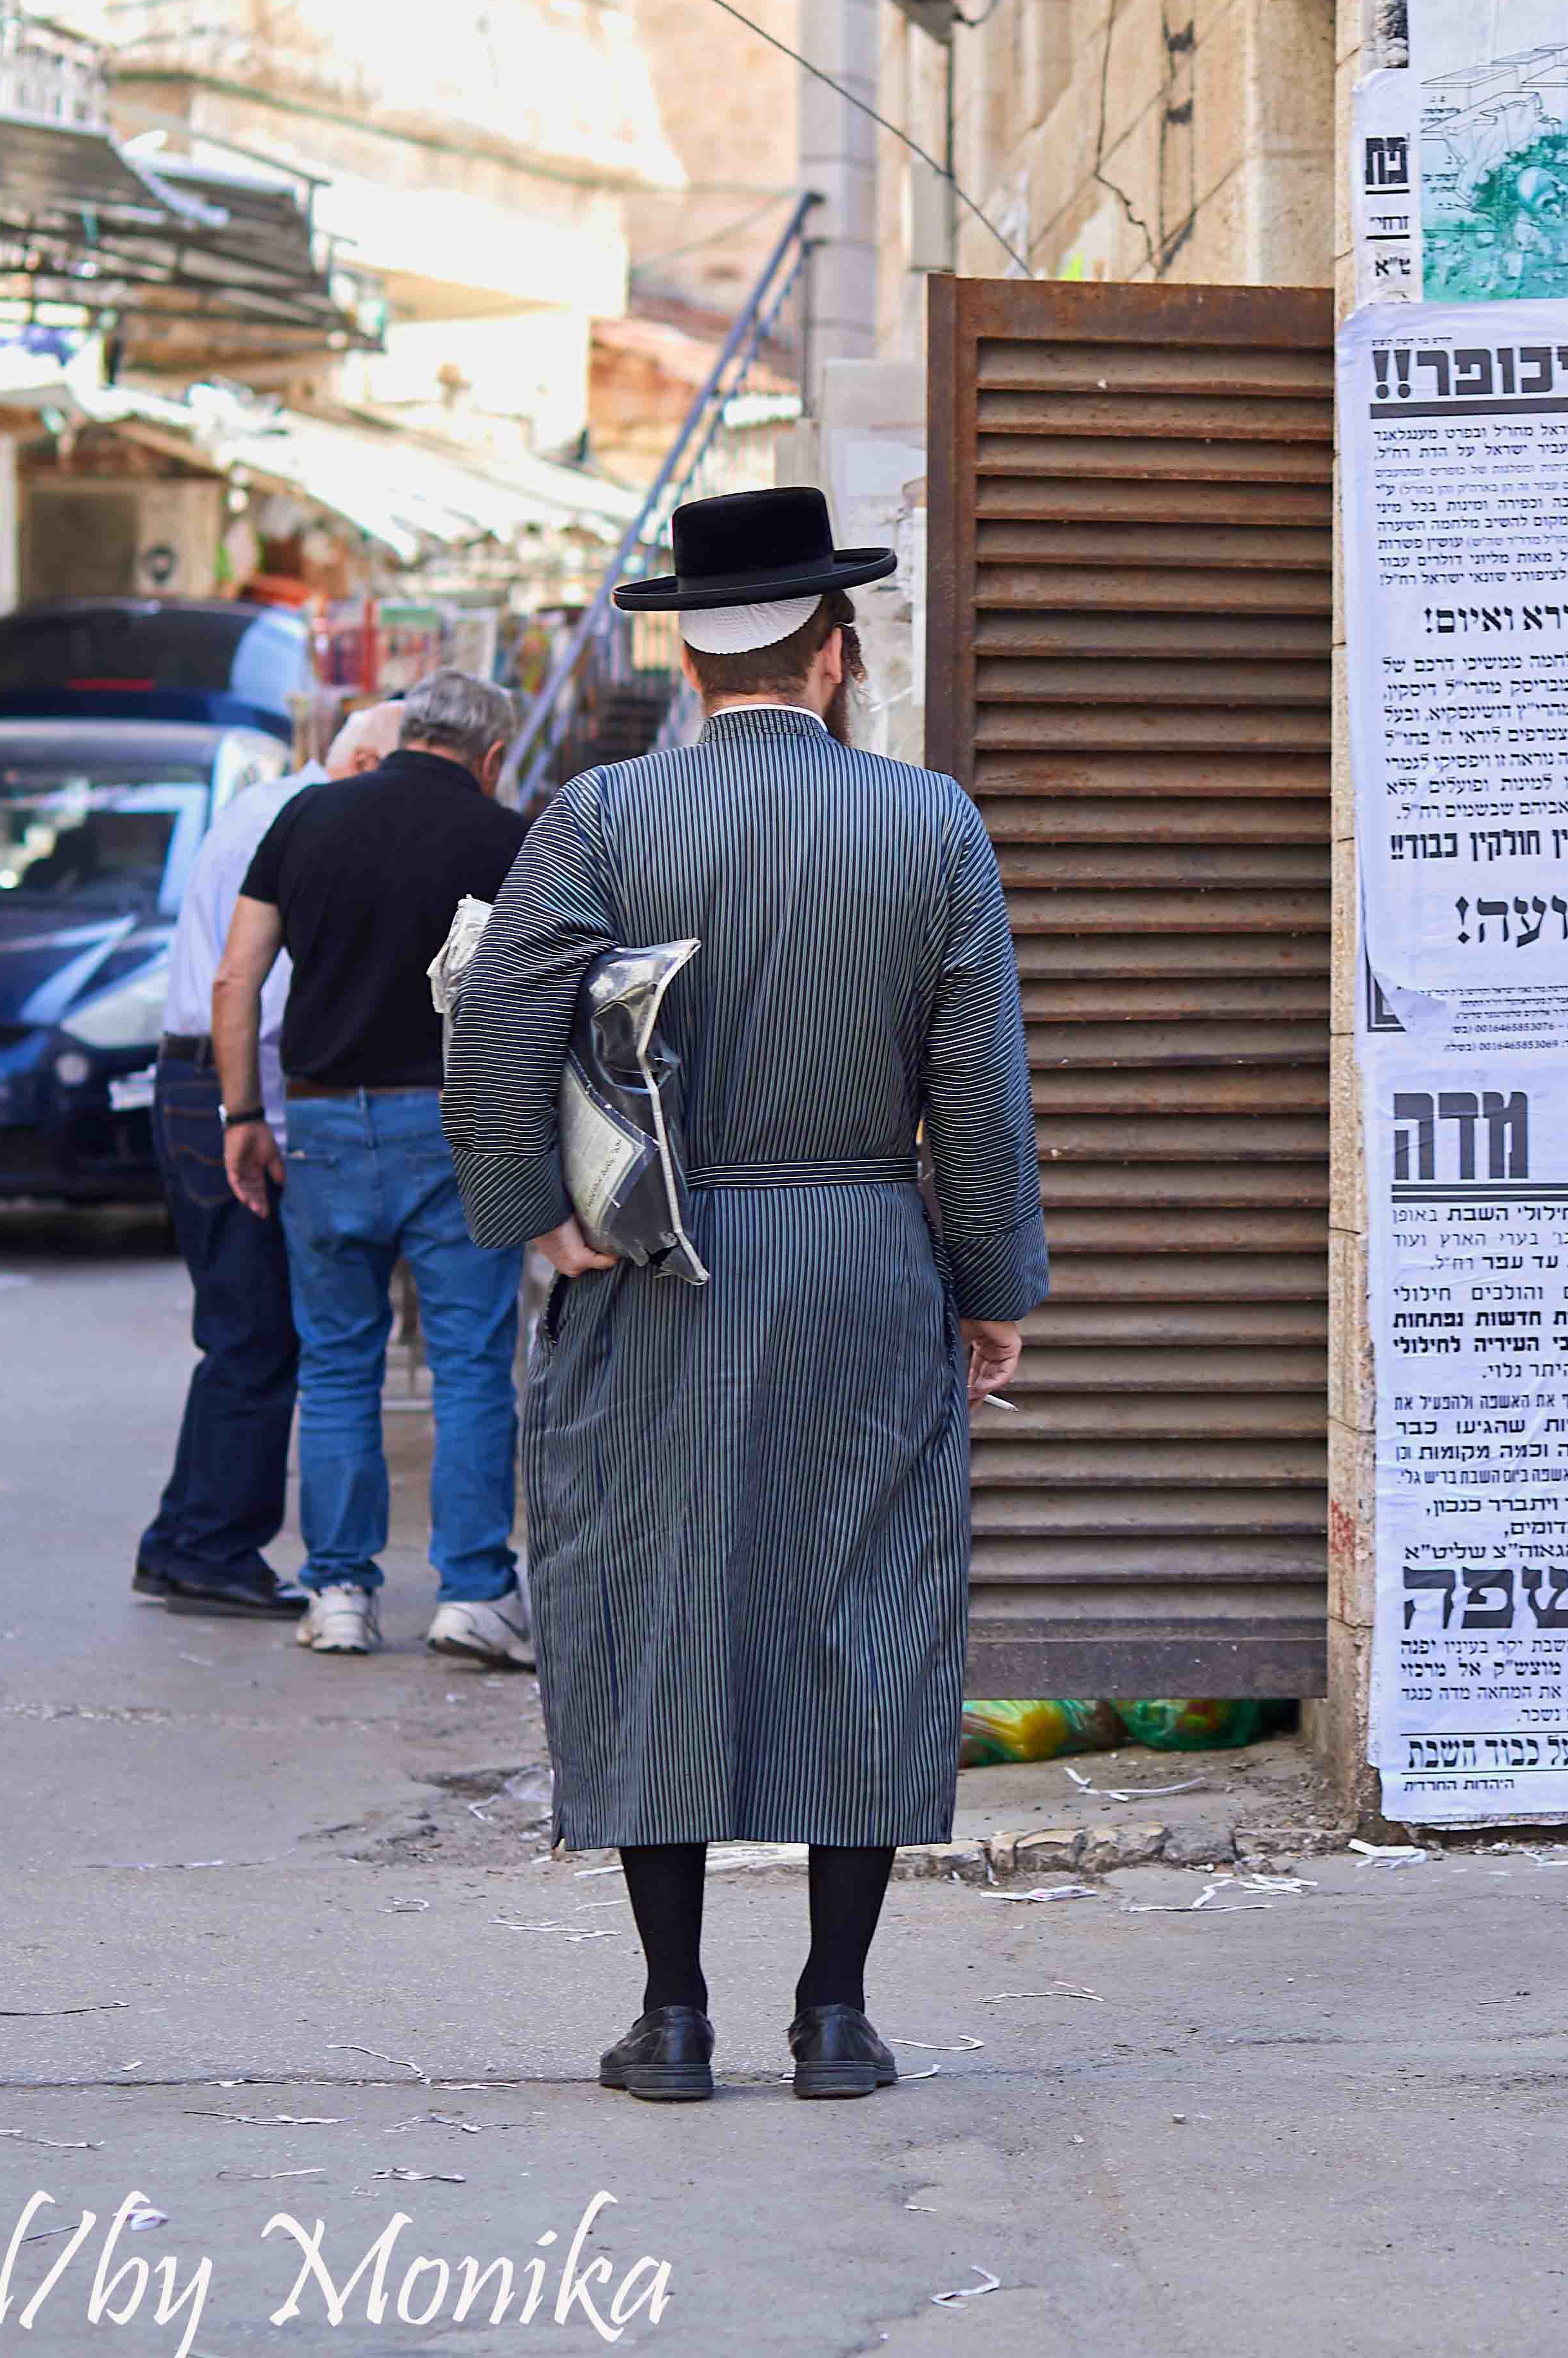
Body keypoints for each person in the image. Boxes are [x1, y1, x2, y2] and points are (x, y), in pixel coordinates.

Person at [443, 484, 1046, 2108]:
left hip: (661, 1264)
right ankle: (837, 2019)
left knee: (651, 1604)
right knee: (867, 1616)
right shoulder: (931, 826)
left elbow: (496, 1017)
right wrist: (991, 1287)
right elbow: (976, 1097)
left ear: (694, 668)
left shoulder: (599, 817)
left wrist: (539, 1214)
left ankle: (674, 2017)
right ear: (833, 656)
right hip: (861, 1259)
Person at [213, 671, 533, 1666]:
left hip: (318, 1124)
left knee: (338, 1362)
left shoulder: (306, 817)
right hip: (456, 1124)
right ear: (488, 756)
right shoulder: (508, 836)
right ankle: (474, 1594)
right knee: (472, 1364)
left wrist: (241, 1113)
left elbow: (237, 975)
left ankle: (341, 1591)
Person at [132, 698, 406, 1620]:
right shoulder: (306, 824)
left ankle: (186, 1538)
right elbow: (264, 991)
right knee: (257, 1332)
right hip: (230, 1087)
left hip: (197, 1081)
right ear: (368, 767)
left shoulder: (270, 804)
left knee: (241, 1327)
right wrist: (260, 1119)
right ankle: (208, 1547)